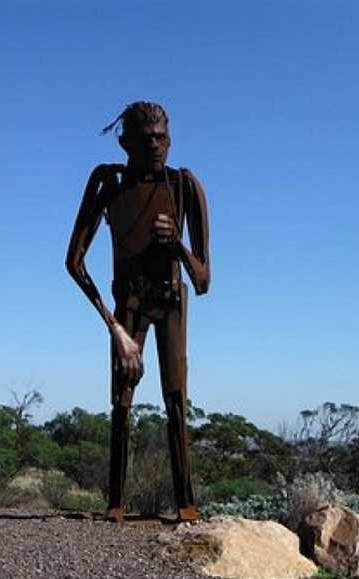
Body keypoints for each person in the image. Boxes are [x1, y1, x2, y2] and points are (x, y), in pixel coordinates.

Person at [65, 101, 210, 522]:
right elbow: (74, 262)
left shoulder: (184, 186)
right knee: (122, 400)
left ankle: (186, 502)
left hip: (172, 303)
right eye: (145, 138)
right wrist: (115, 329)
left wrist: (178, 245)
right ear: (125, 142)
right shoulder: (107, 182)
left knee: (176, 398)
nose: (155, 145)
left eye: (161, 137)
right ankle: (116, 501)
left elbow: (202, 281)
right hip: (127, 305)